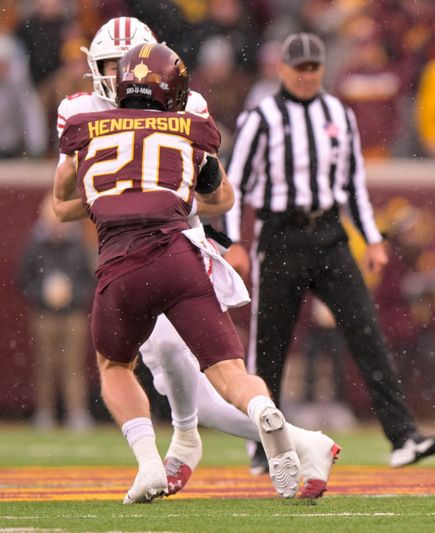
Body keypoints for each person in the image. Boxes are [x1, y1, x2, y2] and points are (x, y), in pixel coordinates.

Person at [55, 18, 338, 500]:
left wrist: (124, 187)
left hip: (165, 243)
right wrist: (133, 182)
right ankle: (292, 442)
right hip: (170, 256)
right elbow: (61, 207)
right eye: (111, 64)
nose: (124, 73)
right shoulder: (84, 112)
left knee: (166, 372)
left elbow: (222, 197)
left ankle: (187, 443)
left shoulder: (163, 111)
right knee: (209, 371)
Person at [224, 32, 435, 470]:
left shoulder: (338, 113)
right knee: (270, 346)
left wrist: (374, 239)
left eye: (313, 67)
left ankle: (403, 436)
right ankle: (263, 445)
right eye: (299, 67)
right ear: (283, 69)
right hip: (280, 236)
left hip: (329, 234)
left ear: (322, 69)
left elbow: (352, 186)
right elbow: (235, 185)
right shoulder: (261, 118)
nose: (306, 76)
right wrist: (234, 242)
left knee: (366, 332)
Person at [17, 194, 95, 431]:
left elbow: (89, 279)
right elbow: (24, 279)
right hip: (44, 315)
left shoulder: (79, 244)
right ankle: (45, 413)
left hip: (73, 315)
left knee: (73, 366)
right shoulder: (35, 244)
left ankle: (77, 413)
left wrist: (72, 296)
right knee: (46, 366)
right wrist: (43, 295)